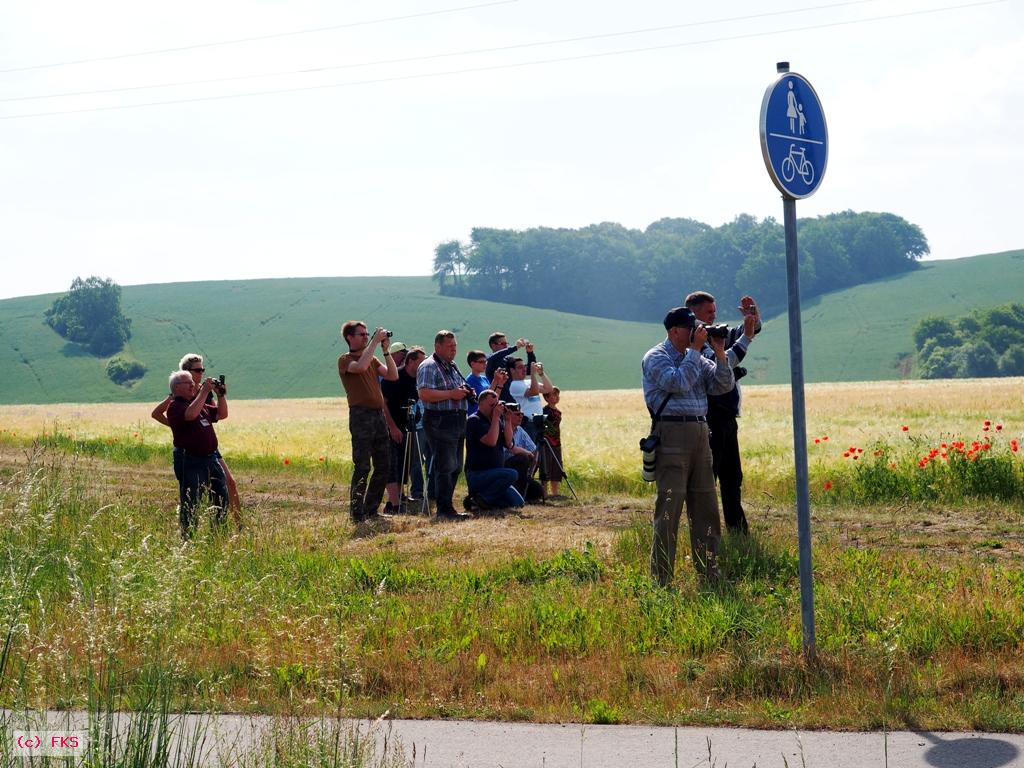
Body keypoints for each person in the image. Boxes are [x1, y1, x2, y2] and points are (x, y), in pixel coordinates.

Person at [642, 306, 734, 587]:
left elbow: (723, 385)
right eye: (692, 328)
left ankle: (709, 573)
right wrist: (696, 351)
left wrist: (719, 353)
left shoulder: (696, 356)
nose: (698, 332)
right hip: (671, 432)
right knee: (670, 506)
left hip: (699, 432)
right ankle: (662, 579)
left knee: (705, 505)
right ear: (675, 331)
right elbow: (677, 382)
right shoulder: (656, 357)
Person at [684, 291, 761, 535]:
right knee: (710, 478)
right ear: (693, 312)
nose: (714, 316)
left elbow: (740, 333)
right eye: (709, 312)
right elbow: (724, 361)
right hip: (711, 417)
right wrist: (747, 337)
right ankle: (706, 531)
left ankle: (737, 531)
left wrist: (753, 320)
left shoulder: (713, 333)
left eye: (714, 312)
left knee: (732, 477)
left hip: (726, 417)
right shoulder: (691, 339)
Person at [152, 353, 242, 528]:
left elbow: (219, 414)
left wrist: (220, 394)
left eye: (203, 370)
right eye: (198, 370)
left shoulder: (202, 391)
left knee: (227, 484)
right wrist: (177, 427)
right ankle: (189, 533)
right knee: (192, 496)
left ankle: (237, 524)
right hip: (189, 453)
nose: (201, 373)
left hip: (208, 449)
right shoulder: (178, 397)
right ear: (186, 372)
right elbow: (161, 413)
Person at [338, 321, 398, 523]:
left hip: (377, 415)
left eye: (367, 334)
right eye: (361, 334)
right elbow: (360, 367)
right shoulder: (345, 360)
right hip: (361, 416)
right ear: (349, 337)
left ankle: (371, 509)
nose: (365, 337)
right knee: (363, 465)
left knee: (383, 464)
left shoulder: (372, 359)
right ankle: (356, 512)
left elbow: (392, 375)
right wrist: (374, 342)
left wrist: (386, 351)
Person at [165, 370, 230, 539]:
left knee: (221, 499)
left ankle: (218, 536)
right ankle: (188, 539)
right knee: (191, 501)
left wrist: (220, 395)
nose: (193, 385)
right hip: (191, 461)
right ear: (176, 387)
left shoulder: (198, 404)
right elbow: (190, 415)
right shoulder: (175, 406)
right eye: (188, 383)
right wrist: (205, 391)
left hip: (210, 459)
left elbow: (222, 414)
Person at [417, 330, 472, 521]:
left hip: (456, 419)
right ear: (437, 346)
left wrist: (464, 392)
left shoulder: (452, 365)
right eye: (449, 346)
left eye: (455, 346)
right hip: (440, 420)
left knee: (456, 466)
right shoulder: (429, 366)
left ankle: (447, 505)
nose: (453, 350)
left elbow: (455, 390)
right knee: (446, 466)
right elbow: (423, 393)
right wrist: (451, 394)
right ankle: (444, 509)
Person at [381, 346, 426, 513]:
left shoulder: (418, 379)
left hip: (407, 426)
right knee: (392, 463)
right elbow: (382, 403)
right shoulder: (394, 377)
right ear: (411, 361)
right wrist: (392, 427)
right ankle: (393, 504)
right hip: (390, 426)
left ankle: (399, 496)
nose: (423, 365)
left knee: (404, 463)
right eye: (421, 361)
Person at [464, 390, 524, 512]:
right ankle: (483, 498)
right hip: (478, 475)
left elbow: (508, 443)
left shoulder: (497, 421)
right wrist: (496, 417)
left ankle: (480, 500)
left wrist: (507, 420)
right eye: (492, 405)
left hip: (495, 477)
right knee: (512, 474)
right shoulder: (474, 420)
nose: (495, 408)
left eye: (496, 405)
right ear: (481, 404)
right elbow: (491, 441)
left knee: (518, 503)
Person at [502, 405, 544, 503]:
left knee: (538, 490)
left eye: (521, 414)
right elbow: (511, 448)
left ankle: (524, 494)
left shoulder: (520, 430)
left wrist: (531, 473)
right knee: (522, 458)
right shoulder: (502, 428)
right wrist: (527, 453)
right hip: (505, 467)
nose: (521, 417)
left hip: (521, 471)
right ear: (508, 415)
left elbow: (535, 450)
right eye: (517, 414)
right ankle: (518, 495)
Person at [507, 356, 553, 444]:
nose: (524, 369)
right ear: (512, 370)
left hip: (538, 421)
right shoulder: (514, 385)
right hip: (528, 423)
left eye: (524, 366)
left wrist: (541, 374)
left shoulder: (529, 382)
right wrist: (532, 374)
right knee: (531, 452)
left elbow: (549, 388)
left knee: (539, 453)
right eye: (520, 367)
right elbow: (534, 391)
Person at [484, 332, 535, 401]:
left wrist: (530, 353)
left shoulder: (508, 359)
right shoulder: (490, 359)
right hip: (498, 402)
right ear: (493, 346)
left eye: (506, 343)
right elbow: (495, 356)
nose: (506, 346)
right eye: (502, 344)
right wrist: (515, 347)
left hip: (513, 401)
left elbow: (528, 371)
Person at [465, 350, 508, 416]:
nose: (485, 364)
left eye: (486, 361)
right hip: (477, 417)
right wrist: (495, 380)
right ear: (472, 364)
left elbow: (494, 398)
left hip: (487, 416)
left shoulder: (484, 378)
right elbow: (485, 398)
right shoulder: (470, 381)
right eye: (481, 362)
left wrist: (500, 383)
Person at [540, 387, 566, 498]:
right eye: (553, 395)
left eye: (557, 395)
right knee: (545, 467)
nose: (556, 397)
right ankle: (544, 493)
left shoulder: (558, 412)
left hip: (556, 442)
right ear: (546, 397)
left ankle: (555, 493)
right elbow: (545, 427)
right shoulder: (544, 411)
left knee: (557, 467)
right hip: (546, 443)